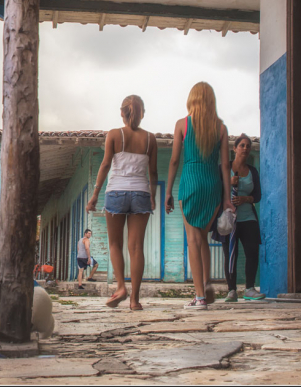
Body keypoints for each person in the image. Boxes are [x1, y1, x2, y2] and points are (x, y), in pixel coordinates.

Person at [86, 95, 159, 310]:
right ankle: (135, 300)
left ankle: (120, 287)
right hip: (140, 194)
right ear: (142, 113)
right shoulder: (150, 139)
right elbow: (153, 172)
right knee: (136, 247)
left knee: (115, 244)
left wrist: (94, 194)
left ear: (122, 112)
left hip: (116, 192)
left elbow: (106, 164)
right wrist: (152, 196)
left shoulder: (114, 135)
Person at [166, 81, 234, 309]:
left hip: (191, 181)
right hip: (212, 183)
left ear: (192, 99)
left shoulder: (182, 124)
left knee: (193, 241)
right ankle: (205, 284)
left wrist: (168, 191)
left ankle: (200, 297)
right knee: (202, 237)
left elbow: (175, 160)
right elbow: (225, 166)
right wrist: (226, 198)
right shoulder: (221, 128)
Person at [222, 134, 264, 302]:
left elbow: (258, 195)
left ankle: (250, 288)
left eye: (248, 146)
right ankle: (231, 290)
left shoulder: (252, 171)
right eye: (242, 145)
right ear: (235, 148)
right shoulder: (224, 169)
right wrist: (230, 185)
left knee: (252, 252)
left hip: (248, 218)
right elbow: (217, 191)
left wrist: (246, 199)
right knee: (230, 254)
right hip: (230, 219)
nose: (246, 148)